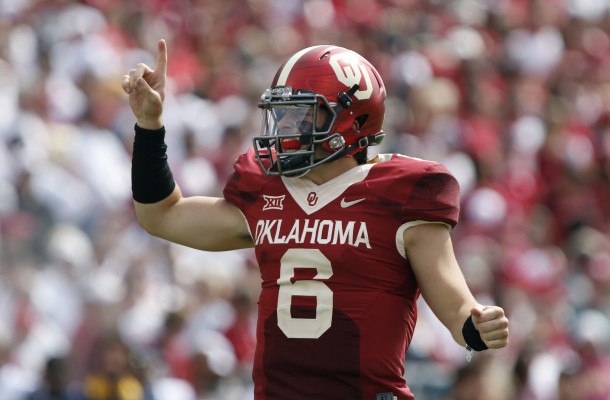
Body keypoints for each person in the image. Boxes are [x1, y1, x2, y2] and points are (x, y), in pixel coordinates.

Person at [121, 39, 509, 400]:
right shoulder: (266, 190)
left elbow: (456, 307)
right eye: (282, 113)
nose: (285, 126)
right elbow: (162, 216)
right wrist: (150, 126)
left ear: (352, 119)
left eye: (300, 113)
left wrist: (476, 326)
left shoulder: (403, 193)